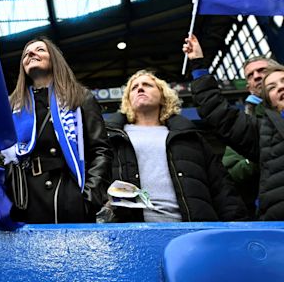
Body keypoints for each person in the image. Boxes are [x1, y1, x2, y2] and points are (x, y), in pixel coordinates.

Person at [0, 37, 112, 223]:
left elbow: (100, 151)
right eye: (26, 53)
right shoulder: (10, 106)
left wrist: (88, 199)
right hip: (22, 199)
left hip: (68, 199)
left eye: (40, 50)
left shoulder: (79, 97)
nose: (31, 54)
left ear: (54, 59)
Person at [106, 70, 247, 222]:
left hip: (191, 231)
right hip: (129, 232)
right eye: (134, 88)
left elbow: (221, 186)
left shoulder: (189, 136)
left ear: (163, 96)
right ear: (128, 100)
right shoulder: (111, 138)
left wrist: (238, 226)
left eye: (147, 85)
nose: (140, 88)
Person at [184, 35, 284, 220]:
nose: (258, 76)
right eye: (271, 87)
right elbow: (218, 113)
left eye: (263, 70)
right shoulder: (263, 131)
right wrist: (198, 65)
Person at [221, 55, 277, 217]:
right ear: (249, 87)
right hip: (269, 209)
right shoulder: (244, 125)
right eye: (250, 75)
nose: (257, 76)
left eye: (262, 70)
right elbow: (230, 172)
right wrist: (257, 159)